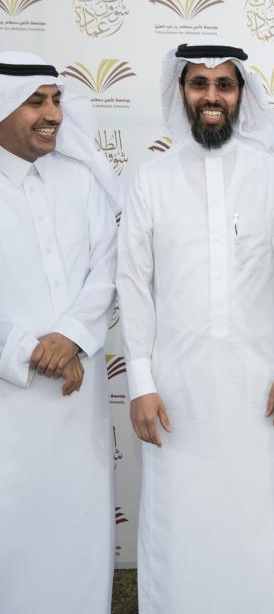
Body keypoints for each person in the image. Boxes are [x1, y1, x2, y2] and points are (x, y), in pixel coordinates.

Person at [117, 44, 274, 613]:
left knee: (265, 523)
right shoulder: (151, 179)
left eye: (225, 84)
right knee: (180, 523)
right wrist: (141, 383)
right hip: (177, 389)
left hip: (262, 387)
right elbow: (133, 285)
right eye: (200, 84)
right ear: (182, 92)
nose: (212, 96)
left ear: (242, 94)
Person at [0, 52, 120, 614]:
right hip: (10, 402)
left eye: (56, 100)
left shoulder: (81, 180)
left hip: (76, 398)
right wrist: (30, 350)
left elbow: (108, 268)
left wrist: (70, 338)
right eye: (35, 102)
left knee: (78, 532)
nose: (52, 115)